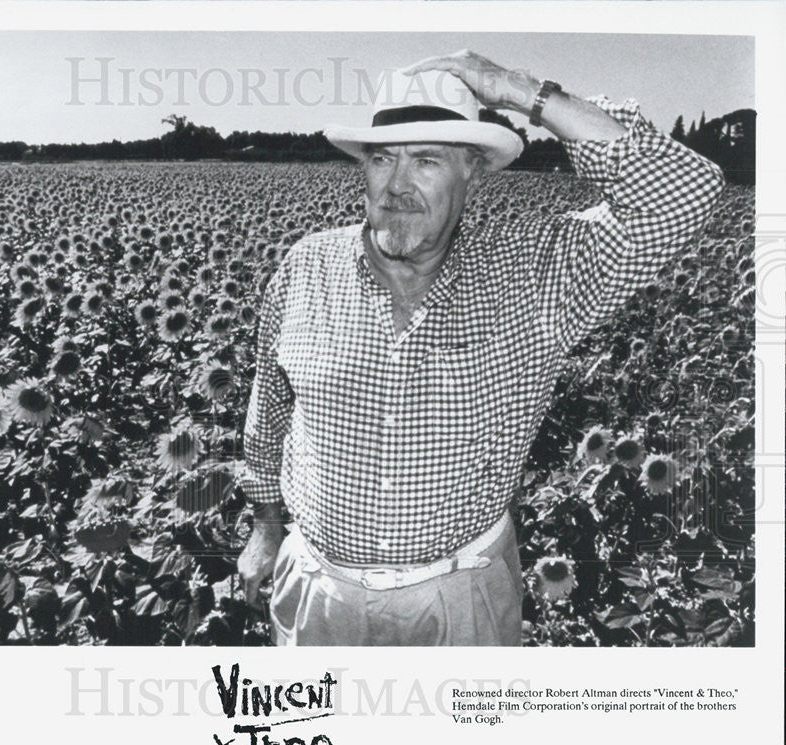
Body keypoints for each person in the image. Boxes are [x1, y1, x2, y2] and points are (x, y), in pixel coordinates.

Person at [237, 50, 725, 646]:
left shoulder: (535, 272)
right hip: (319, 589)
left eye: (425, 161)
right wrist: (265, 527)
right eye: (382, 158)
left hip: (459, 597)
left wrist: (524, 92)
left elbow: (684, 194)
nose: (396, 185)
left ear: (471, 168)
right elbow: (268, 414)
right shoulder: (308, 265)